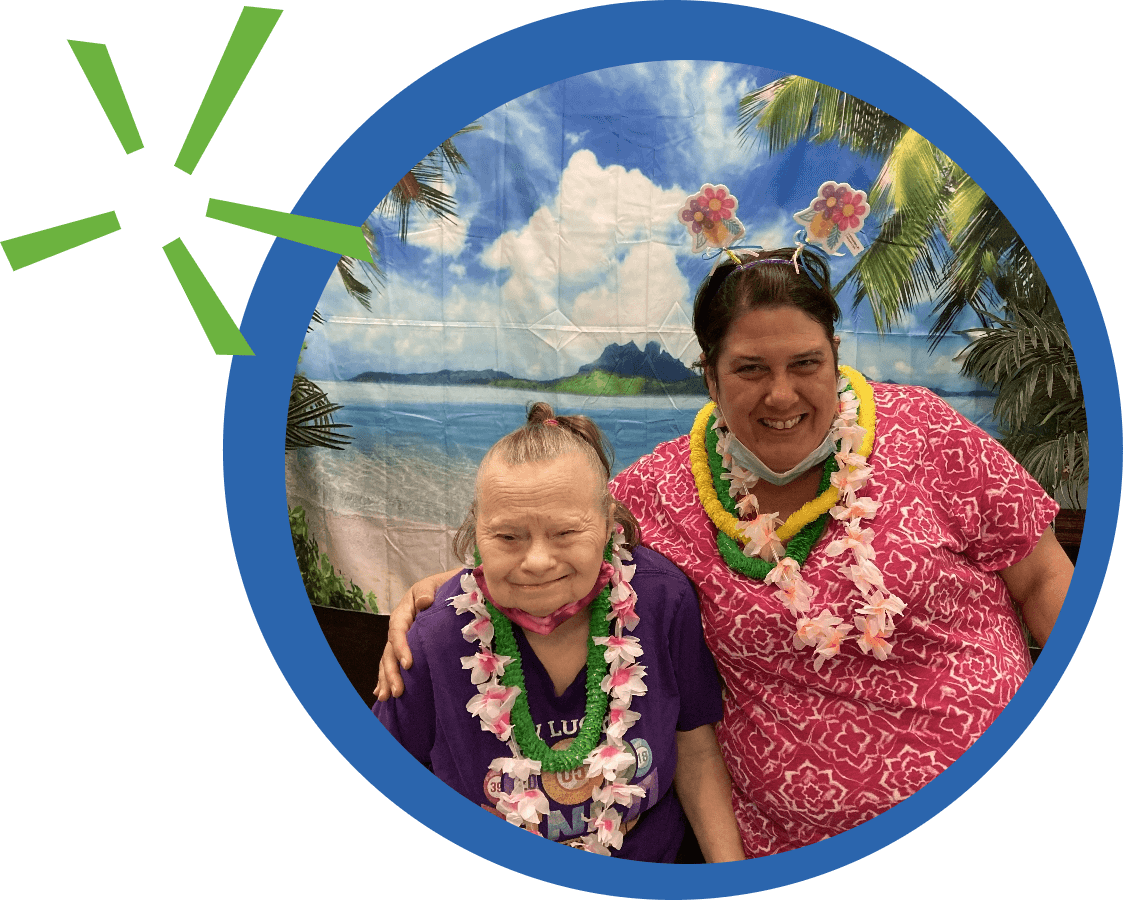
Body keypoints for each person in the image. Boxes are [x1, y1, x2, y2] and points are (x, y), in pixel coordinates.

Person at [376, 248, 1072, 857]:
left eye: (806, 364)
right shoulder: (662, 489)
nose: (781, 393)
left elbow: (1043, 578)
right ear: (708, 377)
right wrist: (443, 591)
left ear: (835, 358)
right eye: (749, 369)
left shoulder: (926, 431)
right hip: (780, 844)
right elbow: (556, 534)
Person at [373, 403, 745, 862]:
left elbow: (696, 754)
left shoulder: (662, 602)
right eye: (508, 537)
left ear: (609, 522)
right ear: (476, 530)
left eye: (566, 532)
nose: (537, 561)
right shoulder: (435, 638)